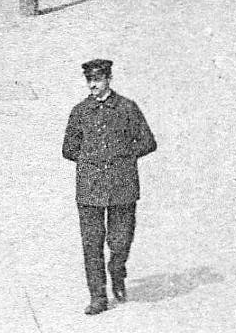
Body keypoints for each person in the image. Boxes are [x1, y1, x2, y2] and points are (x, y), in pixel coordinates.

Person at [62, 59, 157, 314]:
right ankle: (98, 297)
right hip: (90, 188)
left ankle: (117, 270)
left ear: (109, 79)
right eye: (89, 80)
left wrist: (122, 157)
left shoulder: (127, 108)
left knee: (121, 240)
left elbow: (148, 142)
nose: (92, 85)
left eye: (98, 79)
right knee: (91, 244)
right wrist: (92, 160)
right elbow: (68, 149)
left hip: (122, 185)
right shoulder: (80, 111)